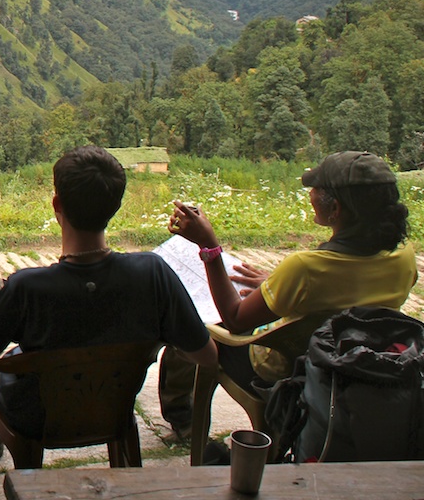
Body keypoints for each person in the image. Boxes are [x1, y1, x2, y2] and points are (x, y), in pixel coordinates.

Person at [159, 150, 418, 443]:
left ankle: (184, 422)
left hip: (284, 368)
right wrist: (277, 285)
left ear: (337, 210)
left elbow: (235, 320)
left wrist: (209, 247)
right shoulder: (403, 256)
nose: (311, 195)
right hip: (353, 360)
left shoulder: (306, 269)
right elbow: (347, 290)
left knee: (190, 331)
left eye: (316, 190)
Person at [0, 146, 216, 441]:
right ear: (116, 206)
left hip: (36, 418)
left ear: (56, 203)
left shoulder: (27, 287)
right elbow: (207, 356)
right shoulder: (152, 273)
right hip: (113, 410)